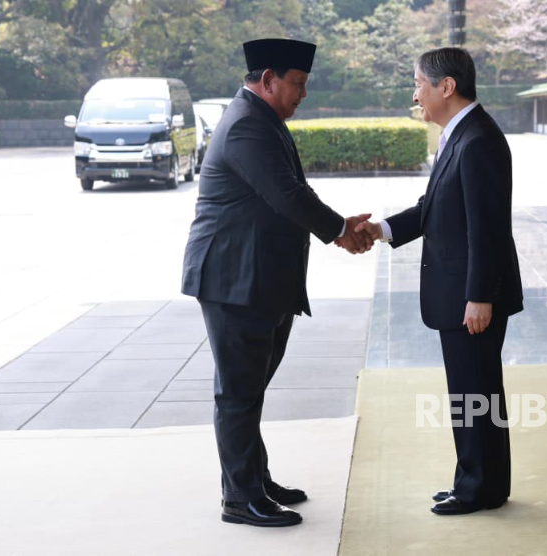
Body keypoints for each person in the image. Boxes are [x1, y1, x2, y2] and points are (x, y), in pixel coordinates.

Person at [181, 38, 373, 528]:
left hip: (258, 278)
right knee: (240, 392)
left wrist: (339, 226)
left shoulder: (262, 119)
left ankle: (253, 480)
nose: (302, 94)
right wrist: (339, 231)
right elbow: (287, 195)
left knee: (251, 388)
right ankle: (241, 499)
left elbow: (294, 191)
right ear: (268, 79)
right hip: (233, 278)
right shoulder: (248, 124)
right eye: (298, 84)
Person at [356, 47, 524, 516]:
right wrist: (382, 229)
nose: (416, 95)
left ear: (446, 87)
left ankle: (478, 489)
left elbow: (488, 229)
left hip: (471, 296)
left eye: (419, 85)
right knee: (474, 393)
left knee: (474, 393)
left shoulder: (479, 140)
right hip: (463, 293)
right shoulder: (461, 135)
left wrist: (479, 298)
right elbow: (436, 208)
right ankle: (482, 482)